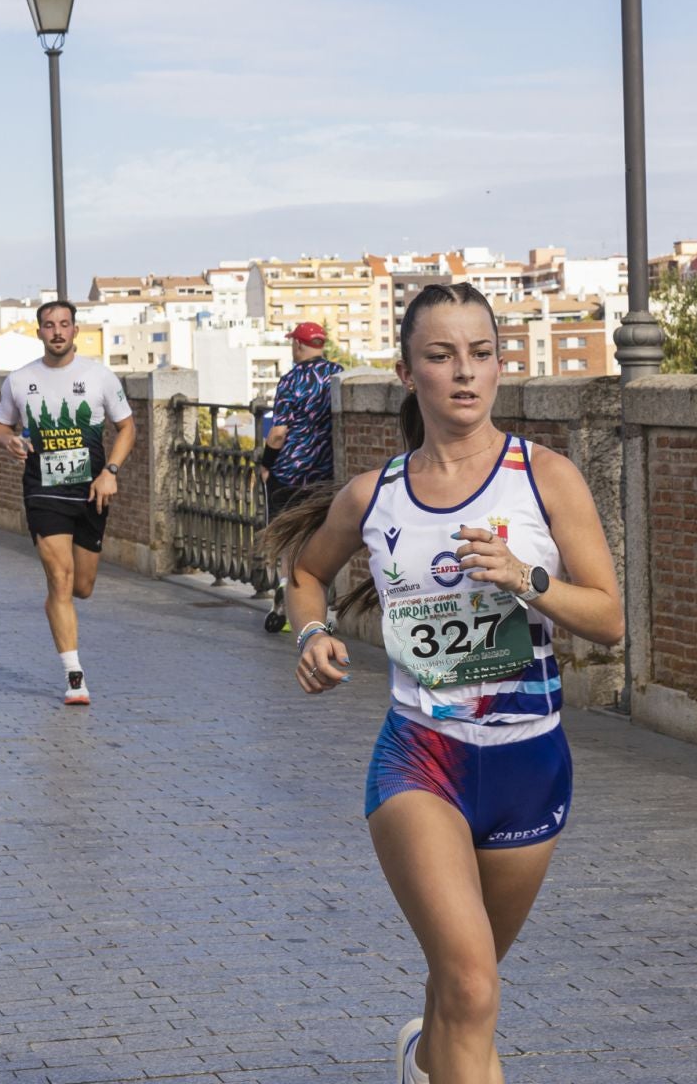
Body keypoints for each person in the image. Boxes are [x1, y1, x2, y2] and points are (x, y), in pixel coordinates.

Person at [269, 283, 623, 1084]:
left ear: (501, 366)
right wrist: (313, 632)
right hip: (420, 761)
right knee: (469, 982)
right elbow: (306, 574)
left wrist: (527, 578)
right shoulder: (375, 495)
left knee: (465, 990)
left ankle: (420, 1058)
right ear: (406, 373)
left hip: (529, 766)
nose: (465, 372)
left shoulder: (546, 478)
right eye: (441, 356)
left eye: (481, 354)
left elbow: (608, 619)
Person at [0, 300, 136, 706]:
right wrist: (9, 440)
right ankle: (74, 675)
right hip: (43, 490)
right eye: (49, 325)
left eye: (64, 325)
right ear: (39, 331)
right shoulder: (20, 381)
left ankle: (72, 655)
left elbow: (126, 428)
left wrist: (111, 471)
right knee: (59, 579)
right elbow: (0, 423)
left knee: (83, 587)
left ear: (75, 331)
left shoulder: (99, 376)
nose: (57, 331)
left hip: (90, 490)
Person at [258, 321, 344, 632]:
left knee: (287, 540)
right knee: (319, 539)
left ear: (298, 345)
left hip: (289, 473)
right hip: (325, 473)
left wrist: (266, 463)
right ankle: (321, 610)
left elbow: (278, 433)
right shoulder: (338, 374)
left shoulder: (291, 379)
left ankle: (284, 600)